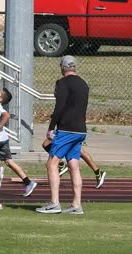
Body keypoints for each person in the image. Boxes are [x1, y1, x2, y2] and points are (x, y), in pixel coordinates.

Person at [36, 55, 89, 215]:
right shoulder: (83, 84)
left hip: (67, 129)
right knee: (74, 165)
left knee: (52, 164)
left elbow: (59, 106)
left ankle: (54, 203)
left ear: (62, 67)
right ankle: (76, 204)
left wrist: (51, 127)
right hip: (81, 129)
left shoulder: (62, 83)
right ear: (74, 67)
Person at [0, 88, 38, 197]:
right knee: (9, 161)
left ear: (0, 98)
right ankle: (28, 183)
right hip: (2, 138)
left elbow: (7, 116)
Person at [42, 138, 106, 189]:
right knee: (78, 150)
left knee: (46, 144)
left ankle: (98, 172)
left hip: (70, 129)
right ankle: (98, 172)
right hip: (70, 128)